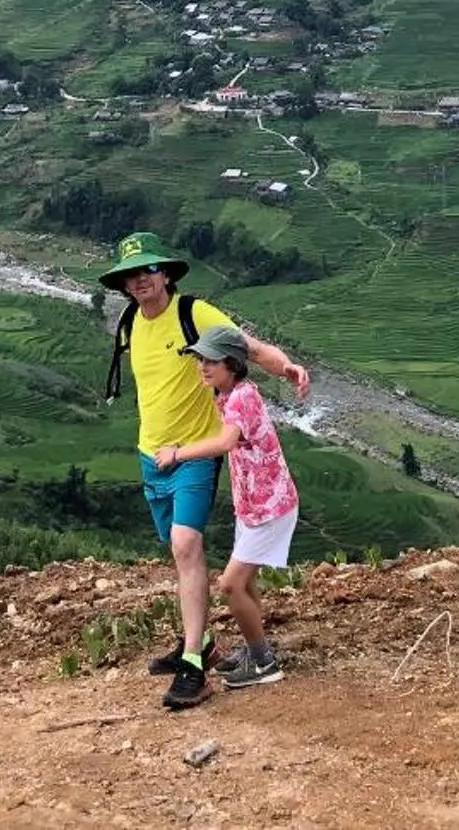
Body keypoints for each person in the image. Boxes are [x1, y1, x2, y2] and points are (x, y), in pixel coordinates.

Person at [96, 231, 310, 712]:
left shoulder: (194, 314)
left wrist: (287, 367)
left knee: (186, 545)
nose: (139, 281)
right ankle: (205, 642)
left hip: (192, 454)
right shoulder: (131, 321)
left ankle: (194, 663)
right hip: (151, 453)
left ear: (165, 273)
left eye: (148, 270)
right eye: (131, 274)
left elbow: (248, 348)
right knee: (178, 553)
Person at [153, 322, 300, 688]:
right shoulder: (229, 393)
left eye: (211, 361)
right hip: (256, 503)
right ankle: (255, 649)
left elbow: (225, 442)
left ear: (232, 363)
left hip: (269, 505)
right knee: (245, 583)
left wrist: (177, 454)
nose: (203, 366)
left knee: (231, 585)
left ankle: (264, 662)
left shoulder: (241, 397)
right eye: (200, 359)